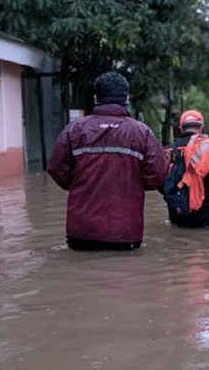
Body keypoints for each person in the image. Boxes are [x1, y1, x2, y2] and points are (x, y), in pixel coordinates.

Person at [48, 72, 168, 250]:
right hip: (125, 232)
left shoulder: (75, 129)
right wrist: (134, 183)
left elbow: (55, 167)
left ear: (96, 97)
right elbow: (158, 174)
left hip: (81, 232)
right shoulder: (142, 133)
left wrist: (78, 184)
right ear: (126, 98)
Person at [162, 110, 209, 228]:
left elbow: (159, 181)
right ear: (201, 127)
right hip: (204, 216)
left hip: (177, 216)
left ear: (181, 128)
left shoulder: (167, 151)